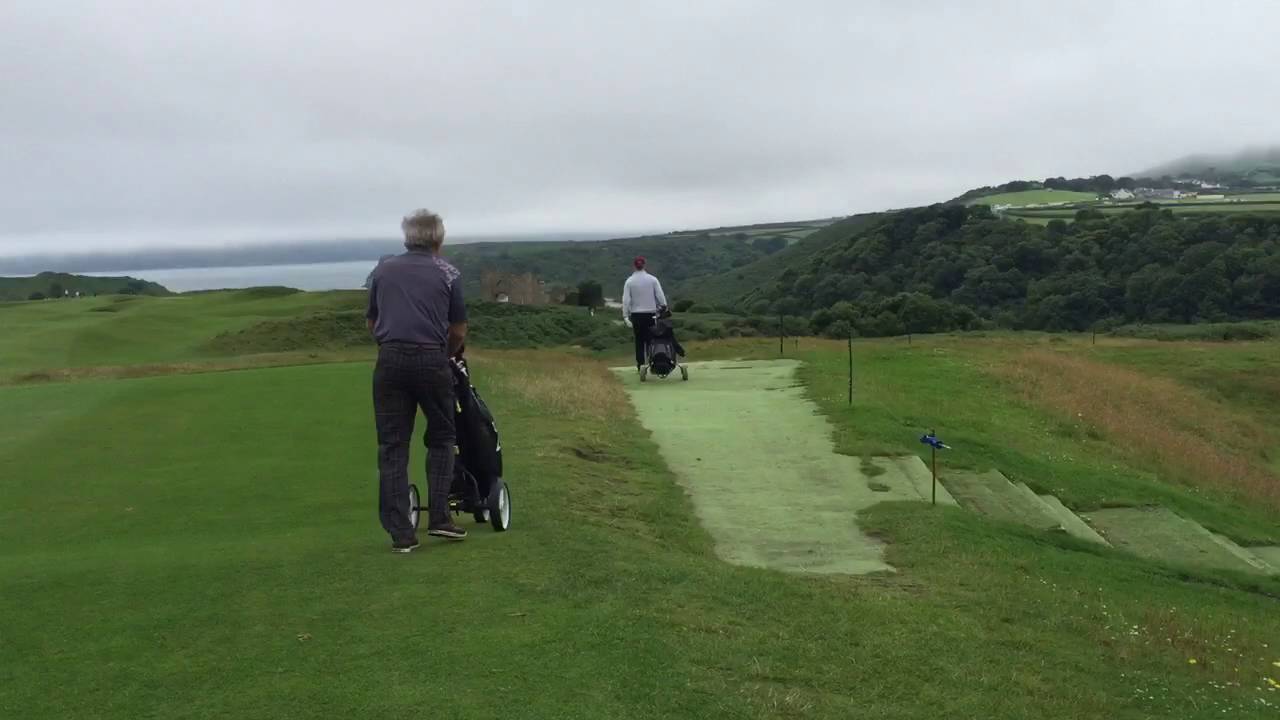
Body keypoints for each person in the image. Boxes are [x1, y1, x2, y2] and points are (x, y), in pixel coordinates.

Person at [366, 209, 469, 552]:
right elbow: (457, 330)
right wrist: (448, 353)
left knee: (393, 445)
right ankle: (440, 517)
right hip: (431, 358)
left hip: (390, 359)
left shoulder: (382, 269)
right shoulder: (449, 273)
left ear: (407, 238)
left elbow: (372, 322)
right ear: (438, 239)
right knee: (441, 436)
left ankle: (401, 533)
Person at [622, 256, 667, 371]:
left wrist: (625, 316)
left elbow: (626, 300)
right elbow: (660, 296)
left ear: (634, 266)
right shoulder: (652, 279)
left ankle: (640, 365)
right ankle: (652, 363)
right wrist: (664, 307)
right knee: (651, 340)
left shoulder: (629, 281)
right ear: (644, 265)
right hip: (650, 314)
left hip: (636, 315)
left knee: (639, 341)